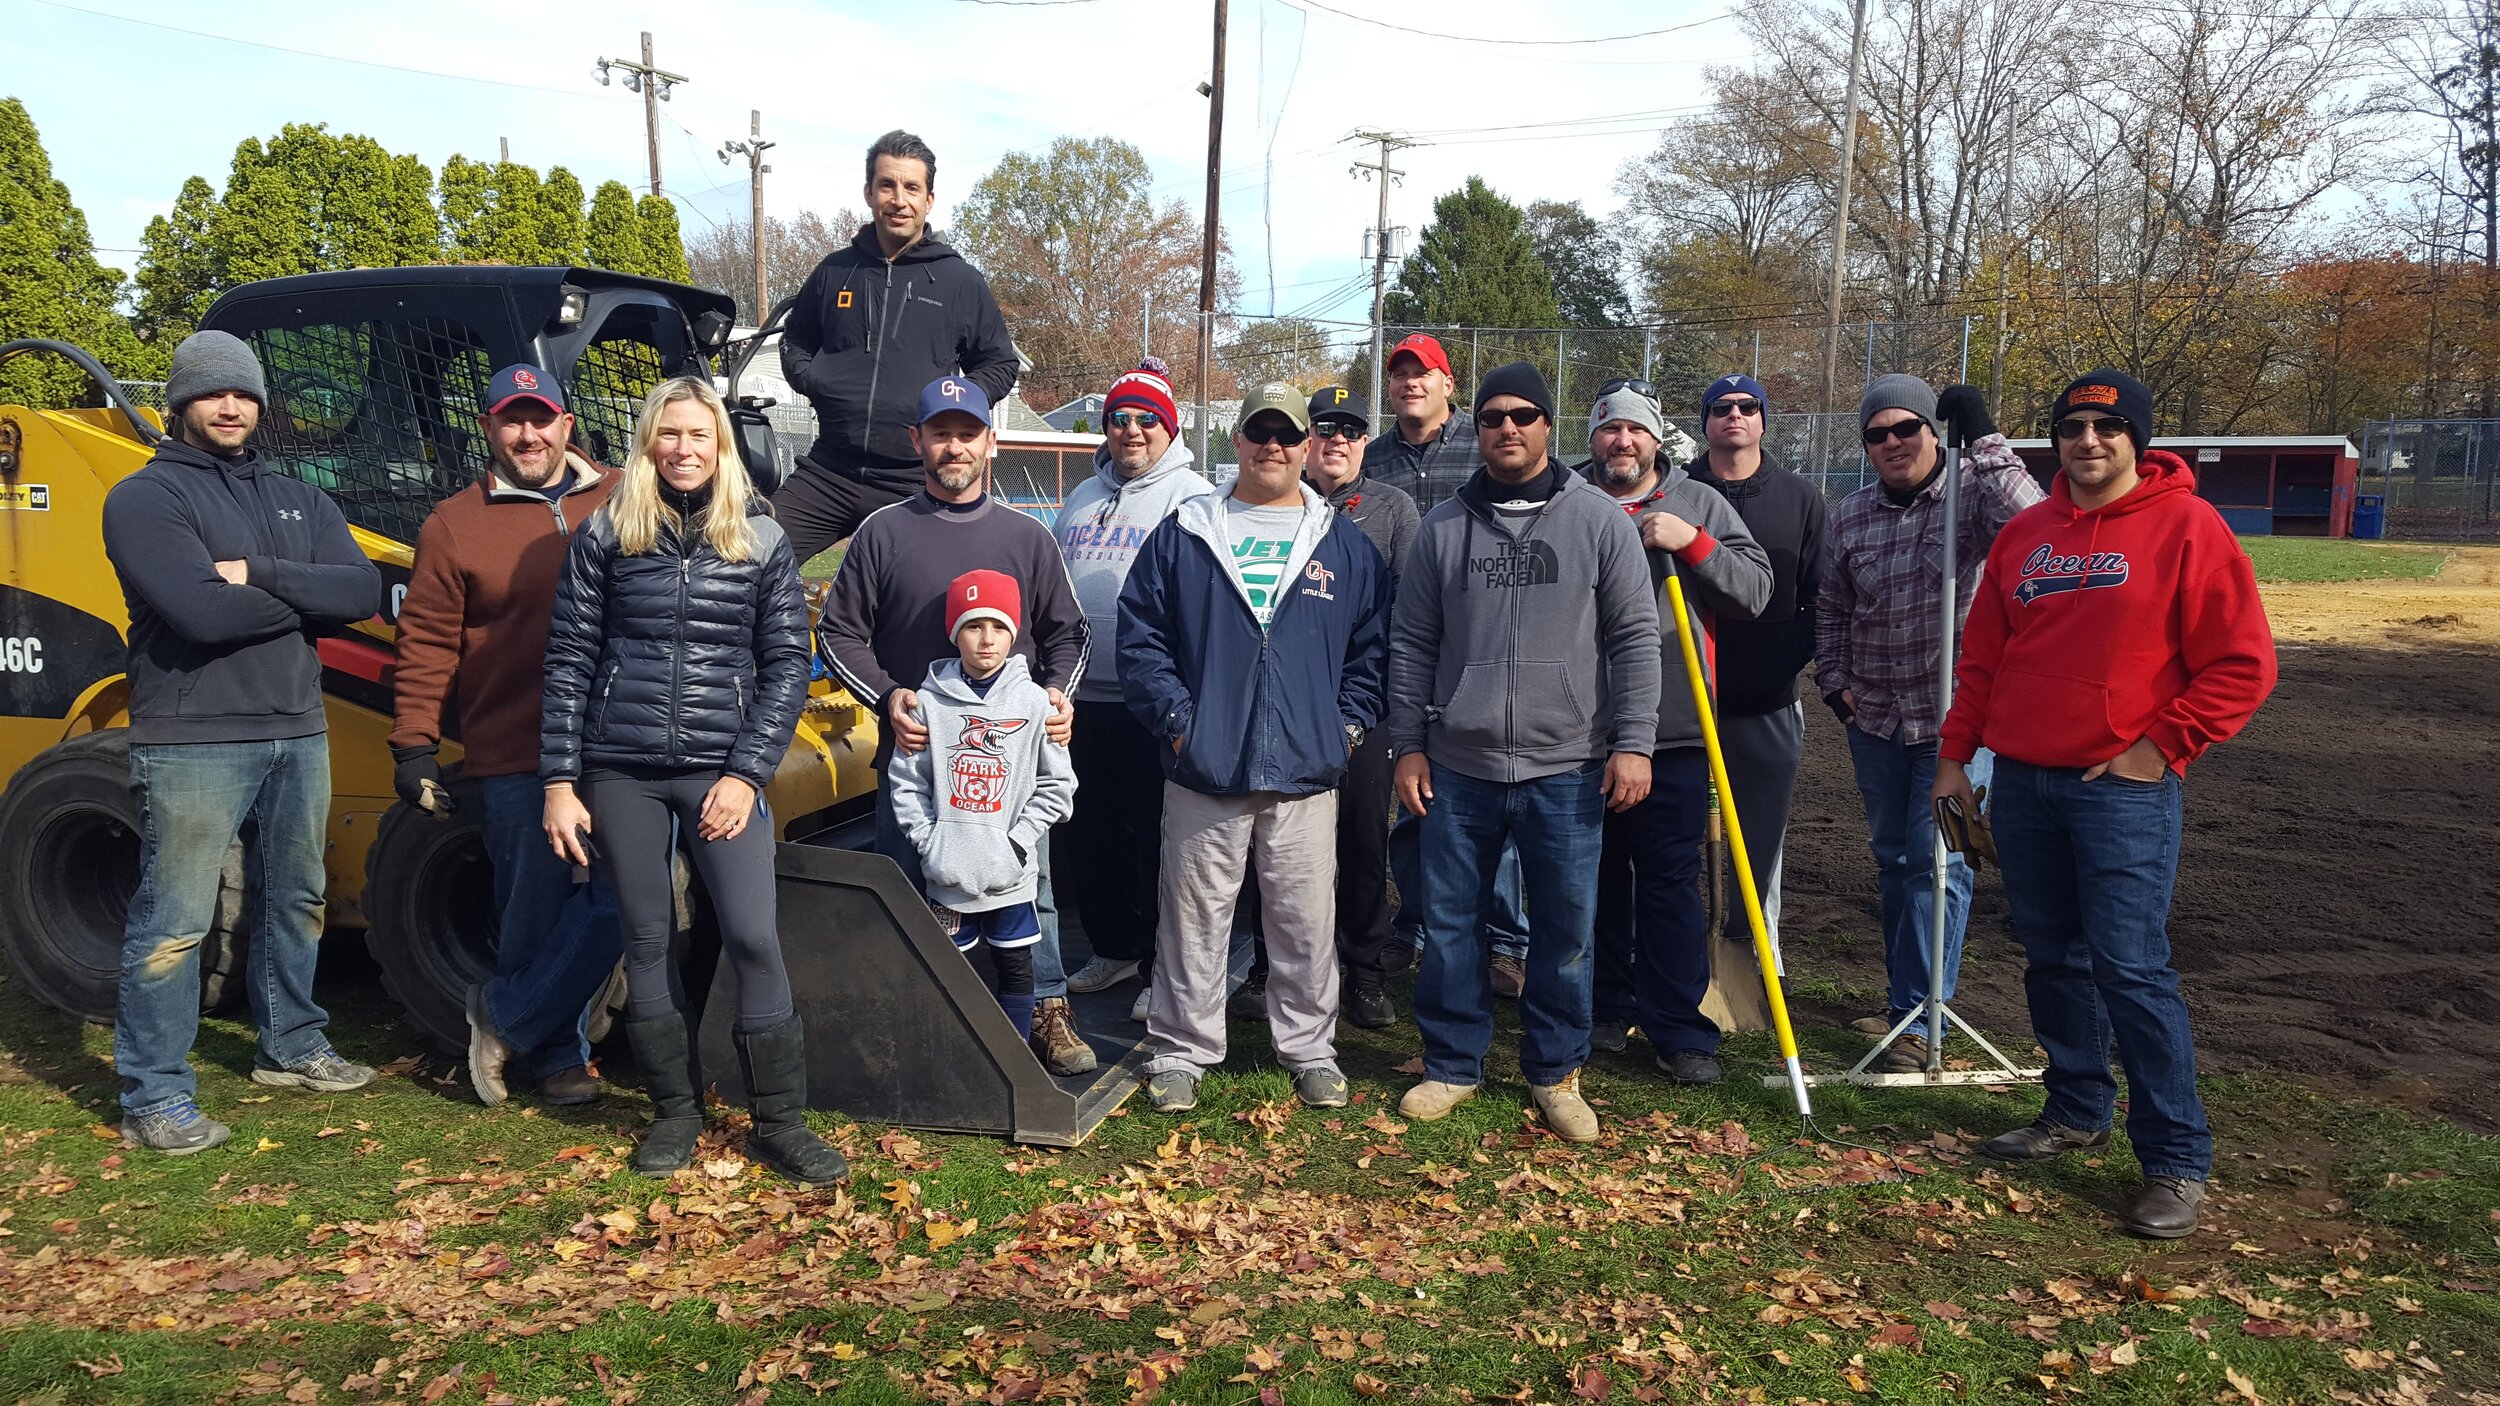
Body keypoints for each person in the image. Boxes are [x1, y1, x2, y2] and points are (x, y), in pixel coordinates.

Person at [1936, 369, 2275, 1239]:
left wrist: (2157, 747)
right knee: (2052, 956)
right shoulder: (2028, 536)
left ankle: (2173, 1159)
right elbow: (1983, 661)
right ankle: (2076, 1109)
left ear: (2138, 438)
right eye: (2073, 426)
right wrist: (1953, 760)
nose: (2089, 441)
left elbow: (2243, 663)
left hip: (2121, 791)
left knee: (2130, 966)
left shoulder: (2188, 528)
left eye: (2108, 426)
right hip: (2023, 781)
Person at [539, 376, 846, 1186]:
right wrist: (559, 781)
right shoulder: (605, 535)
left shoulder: (762, 540)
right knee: (645, 940)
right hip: (621, 769)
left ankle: (781, 1121)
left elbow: (787, 666)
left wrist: (746, 775)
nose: (683, 449)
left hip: (722, 769)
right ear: (649, 443)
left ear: (722, 445)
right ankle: (675, 1114)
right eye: (668, 434)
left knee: (750, 934)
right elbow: (569, 662)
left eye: (699, 435)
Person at [100, 330, 384, 1153]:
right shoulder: (146, 498)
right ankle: (153, 1093)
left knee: (295, 899)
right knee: (176, 919)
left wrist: (254, 573)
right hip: (193, 736)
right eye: (212, 394)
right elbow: (199, 614)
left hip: (297, 728)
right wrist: (305, 595)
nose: (231, 407)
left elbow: (362, 590)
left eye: (245, 394)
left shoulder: (300, 495)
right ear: (181, 403)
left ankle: (291, 1045)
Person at [1387, 362, 1661, 1143]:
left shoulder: (1598, 522)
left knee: (1566, 933)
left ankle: (1555, 1071)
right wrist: (1410, 744)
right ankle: (1451, 1063)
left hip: (1567, 765)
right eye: (1493, 417)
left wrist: (1633, 742)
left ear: (1549, 426)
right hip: (1458, 766)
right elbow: (1411, 644)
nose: (1508, 427)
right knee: (1449, 926)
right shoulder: (1442, 527)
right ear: (1477, 430)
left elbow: (1636, 638)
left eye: (1525, 415)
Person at [1118, 383, 1390, 1114]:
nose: (1272, 447)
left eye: (1286, 436)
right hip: (1205, 766)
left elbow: (1372, 652)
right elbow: (1141, 638)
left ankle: (1309, 1049)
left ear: (1307, 447)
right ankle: (1182, 1050)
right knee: (1193, 917)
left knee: (1304, 920)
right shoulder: (1186, 532)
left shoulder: (1342, 544)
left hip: (1306, 770)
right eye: (1258, 434)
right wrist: (1181, 722)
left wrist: (1348, 728)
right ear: (1235, 441)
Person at [816, 377, 1096, 1076]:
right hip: (917, 761)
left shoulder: (1026, 537)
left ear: (990, 442)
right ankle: (920, 1014)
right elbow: (838, 633)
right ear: (917, 442)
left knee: (1031, 890)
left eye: (967, 433)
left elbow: (1069, 633)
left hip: (1008, 770)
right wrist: (889, 698)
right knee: (912, 893)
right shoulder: (883, 533)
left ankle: (1046, 1008)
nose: (954, 446)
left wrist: (1058, 696)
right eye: (939, 433)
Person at [390, 364, 621, 1109]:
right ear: (488, 429)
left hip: (620, 739)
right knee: (534, 905)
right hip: (515, 743)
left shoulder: (625, 495)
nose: (528, 434)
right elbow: (426, 642)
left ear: (567, 424)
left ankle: (507, 1014)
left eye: (541, 418)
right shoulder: (453, 525)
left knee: (626, 896)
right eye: (511, 420)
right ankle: (557, 1057)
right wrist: (413, 744)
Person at [1815, 375, 2042, 1073]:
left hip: (1957, 723)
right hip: (1876, 717)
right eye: (1877, 434)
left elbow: (2035, 525)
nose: (1892, 444)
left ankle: (1924, 1018)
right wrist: (1835, 684)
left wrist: (1986, 436)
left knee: (1941, 863)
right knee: (1897, 861)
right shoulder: (1851, 514)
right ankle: (1905, 1004)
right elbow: (1831, 604)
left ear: (1933, 433)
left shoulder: (1974, 494)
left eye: (1906, 428)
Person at [1580, 382, 1771, 1078]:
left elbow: (1755, 589)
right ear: (1592, 439)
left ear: (1657, 440)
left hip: (1678, 729)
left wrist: (1691, 543)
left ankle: (1682, 1029)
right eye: (1608, 431)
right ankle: (1603, 1005)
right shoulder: (1568, 500)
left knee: (1666, 883)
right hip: (1580, 731)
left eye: (1635, 430)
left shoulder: (1697, 501)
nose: (1621, 442)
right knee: (1591, 881)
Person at [1364, 333, 1532, 996]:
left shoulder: (1484, 440)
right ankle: (1416, 923)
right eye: (1400, 374)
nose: (1410, 383)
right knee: (1414, 791)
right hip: (1407, 644)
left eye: (1422, 373)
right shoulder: (1373, 459)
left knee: (1498, 790)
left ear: (1447, 384)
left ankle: (1506, 939)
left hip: (1481, 642)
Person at [775, 130, 1020, 564]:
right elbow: (795, 339)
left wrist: (952, 405)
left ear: (929, 198)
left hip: (915, 479)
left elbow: (999, 363)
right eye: (887, 185)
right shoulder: (835, 271)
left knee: (936, 593)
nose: (898, 199)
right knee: (745, 556)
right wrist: (815, 379)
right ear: (869, 192)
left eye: (911, 187)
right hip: (828, 471)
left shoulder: (959, 281)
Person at [1052, 359, 1214, 1015]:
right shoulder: (1081, 499)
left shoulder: (1193, 497)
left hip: (1155, 700)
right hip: (1082, 698)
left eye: (1147, 419)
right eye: (1120, 418)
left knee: (1153, 835)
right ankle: (1113, 947)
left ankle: (1159, 962)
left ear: (1169, 428)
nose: (1132, 430)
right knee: (1090, 829)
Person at [890, 571, 1079, 1041]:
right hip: (947, 873)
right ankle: (959, 1058)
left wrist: (1017, 843)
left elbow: (1058, 784)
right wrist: (929, 841)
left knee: (1015, 967)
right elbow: (907, 783)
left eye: (998, 627)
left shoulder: (1036, 703)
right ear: (955, 633)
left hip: (1009, 875)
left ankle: (1011, 1059)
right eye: (973, 627)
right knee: (953, 972)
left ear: (1014, 633)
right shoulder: (926, 703)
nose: (987, 640)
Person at [1687, 374, 1826, 979]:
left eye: (1747, 408)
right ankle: (1669, 962)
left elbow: (1821, 599)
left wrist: (1779, 663)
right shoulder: (1678, 491)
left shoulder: (1799, 499)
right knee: (1667, 843)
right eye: (1721, 408)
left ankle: (1752, 966)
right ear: (1707, 421)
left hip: (1764, 704)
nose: (1734, 416)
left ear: (1764, 420)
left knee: (1759, 847)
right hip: (1680, 707)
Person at [1301, 386, 1417, 1029]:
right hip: (1289, 703)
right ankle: (1277, 967)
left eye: (1350, 430)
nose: (1336, 440)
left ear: (1364, 442)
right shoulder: (1277, 502)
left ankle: (1365, 972)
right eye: (1324, 428)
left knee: (1365, 838)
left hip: (1365, 701)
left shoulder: (1392, 508)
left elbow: (1408, 609)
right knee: (1282, 841)